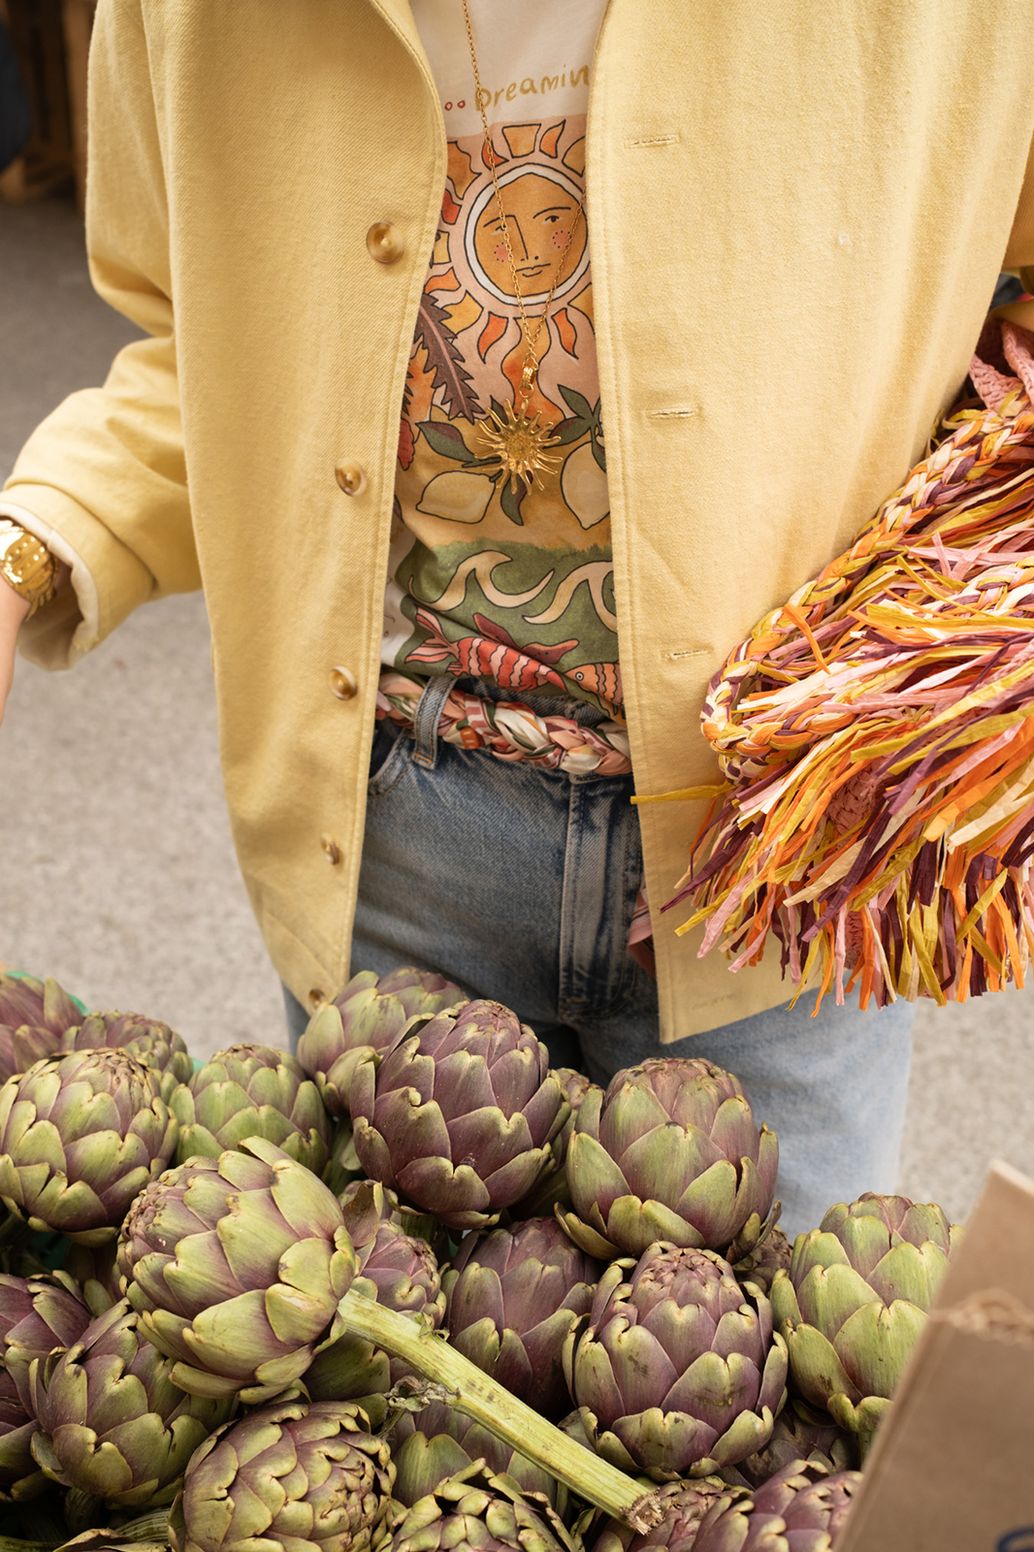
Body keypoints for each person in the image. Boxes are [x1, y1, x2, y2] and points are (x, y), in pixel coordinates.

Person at [1, 0, 1032, 1231]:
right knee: (406, 1391)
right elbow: (210, 353)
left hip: (778, 870)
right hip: (392, 827)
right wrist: (24, 549)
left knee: (786, 1403)